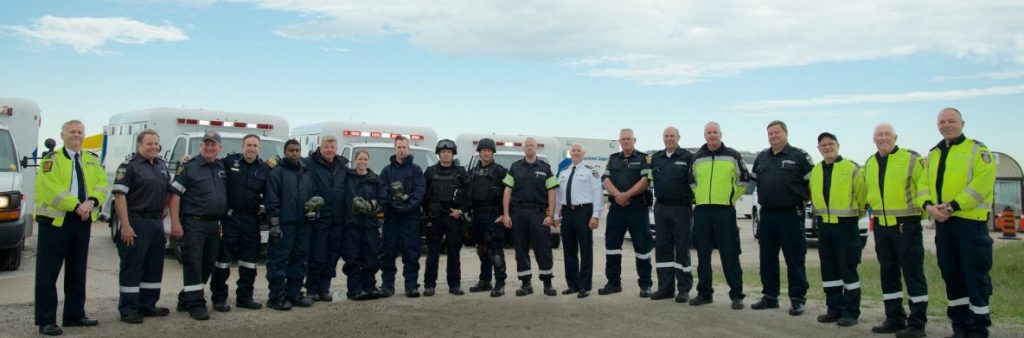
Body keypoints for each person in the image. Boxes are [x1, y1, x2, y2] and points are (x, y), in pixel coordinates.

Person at [918, 108, 996, 338]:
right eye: (942, 121)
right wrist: (929, 206)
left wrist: (953, 206)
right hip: (944, 225)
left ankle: (979, 326)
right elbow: (922, 185)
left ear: (962, 123)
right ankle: (960, 325)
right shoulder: (933, 154)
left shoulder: (977, 150)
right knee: (951, 274)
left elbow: (982, 184)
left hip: (969, 225)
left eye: (951, 121)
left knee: (974, 275)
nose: (946, 125)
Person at [34, 120, 108, 336]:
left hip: (82, 221)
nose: (76, 135)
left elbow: (102, 184)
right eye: (72, 132)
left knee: (77, 270)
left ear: (84, 135)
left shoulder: (92, 160)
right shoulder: (52, 160)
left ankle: (74, 315)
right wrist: (76, 205)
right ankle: (46, 320)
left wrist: (91, 202)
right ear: (62, 135)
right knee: (47, 274)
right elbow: (50, 189)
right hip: (56, 222)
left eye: (80, 132)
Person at [863, 123, 928, 338]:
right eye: (879, 135)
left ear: (895, 137)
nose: (883, 138)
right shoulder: (870, 163)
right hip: (881, 225)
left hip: (905, 224)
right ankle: (894, 318)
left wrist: (925, 214)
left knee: (913, 273)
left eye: (887, 134)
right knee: (888, 273)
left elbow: (924, 188)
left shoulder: (911, 159)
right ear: (874, 139)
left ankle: (917, 323)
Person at [750, 120, 814, 316]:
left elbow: (813, 184)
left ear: (785, 133)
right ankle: (770, 296)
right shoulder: (762, 157)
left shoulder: (800, 156)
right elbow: (755, 181)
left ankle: (797, 299)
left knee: (794, 258)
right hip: (767, 214)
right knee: (767, 258)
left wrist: (803, 202)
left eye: (777, 133)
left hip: (791, 215)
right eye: (770, 133)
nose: (773, 136)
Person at [112, 129, 172, 324]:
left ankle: (148, 304)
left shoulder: (161, 165)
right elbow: (119, 197)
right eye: (149, 144)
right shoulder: (129, 166)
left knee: (154, 265)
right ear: (139, 145)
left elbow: (167, 190)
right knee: (132, 267)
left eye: (156, 144)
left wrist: (163, 207)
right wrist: (126, 225)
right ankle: (128, 308)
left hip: (156, 222)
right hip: (136, 221)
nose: (154, 147)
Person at [808, 132, 865, 327]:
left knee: (847, 268)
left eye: (830, 144)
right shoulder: (816, 170)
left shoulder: (851, 168)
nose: (827, 148)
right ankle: (833, 309)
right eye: (823, 145)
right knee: (829, 269)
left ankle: (851, 311)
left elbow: (863, 195)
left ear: (837, 145)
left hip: (846, 225)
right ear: (819, 149)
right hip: (825, 226)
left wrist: (855, 214)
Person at [689, 122, 747, 310]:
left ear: (721, 134)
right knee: (703, 254)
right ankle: (705, 293)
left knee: (729, 253)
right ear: (704, 135)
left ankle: (737, 295)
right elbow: (691, 182)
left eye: (715, 132)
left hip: (724, 210)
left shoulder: (733, 156)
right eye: (709, 133)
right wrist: (699, 196)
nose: (712, 135)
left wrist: (731, 198)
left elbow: (743, 179)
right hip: (702, 210)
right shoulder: (696, 157)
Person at [210, 134, 272, 312]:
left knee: (249, 261)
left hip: (251, 219)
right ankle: (219, 298)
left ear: (259, 148)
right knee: (223, 261)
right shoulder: (230, 162)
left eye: (255, 146)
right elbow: (211, 163)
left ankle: (245, 297)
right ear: (242, 146)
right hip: (230, 218)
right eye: (249, 145)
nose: (252, 148)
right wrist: (187, 159)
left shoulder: (264, 168)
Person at [170, 131, 227, 320]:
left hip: (214, 225)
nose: (209, 147)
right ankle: (196, 304)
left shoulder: (222, 167)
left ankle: (185, 298)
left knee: (208, 265)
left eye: (213, 144)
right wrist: (175, 223)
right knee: (193, 263)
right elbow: (175, 195)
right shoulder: (188, 167)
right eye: (206, 144)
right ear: (201, 146)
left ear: (219, 147)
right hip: (194, 224)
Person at [265, 139, 319, 310]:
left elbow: (315, 195)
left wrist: (315, 209)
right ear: (285, 151)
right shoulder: (277, 173)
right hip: (283, 225)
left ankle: (293, 293)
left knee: (299, 260)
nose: (294, 153)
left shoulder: (307, 173)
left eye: (297, 150)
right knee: (278, 261)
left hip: (303, 225)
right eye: (291, 150)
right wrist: (274, 223)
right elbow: (271, 199)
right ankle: (275, 297)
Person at [599, 128, 654, 297]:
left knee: (642, 247)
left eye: (629, 139)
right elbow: (605, 179)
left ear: (635, 140)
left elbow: (646, 181)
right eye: (623, 139)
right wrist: (617, 195)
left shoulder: (644, 158)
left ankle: (645, 285)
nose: (626, 141)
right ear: (620, 141)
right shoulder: (613, 159)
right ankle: (613, 283)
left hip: (637, 207)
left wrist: (626, 195)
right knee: (612, 246)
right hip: (617, 208)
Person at [502, 137, 559, 297]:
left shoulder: (545, 168)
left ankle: (547, 282)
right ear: (523, 149)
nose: (529, 148)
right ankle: (526, 283)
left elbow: (552, 192)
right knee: (520, 248)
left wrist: (551, 214)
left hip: (538, 213)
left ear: (537, 148)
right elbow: (507, 191)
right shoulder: (515, 167)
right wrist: (506, 214)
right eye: (526, 146)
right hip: (518, 213)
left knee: (543, 248)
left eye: (532, 145)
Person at [649, 126, 696, 302]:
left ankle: (683, 289)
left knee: (682, 248)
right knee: (662, 247)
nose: (669, 139)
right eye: (666, 136)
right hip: (661, 208)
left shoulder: (688, 158)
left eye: (672, 136)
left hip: (681, 208)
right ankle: (665, 288)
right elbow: (648, 181)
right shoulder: (656, 158)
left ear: (678, 137)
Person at [554, 144, 604, 299]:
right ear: (570, 153)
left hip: (584, 212)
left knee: (586, 250)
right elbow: (558, 196)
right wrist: (556, 215)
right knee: (569, 250)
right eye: (573, 151)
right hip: (567, 213)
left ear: (583, 153)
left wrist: (595, 216)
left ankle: (585, 286)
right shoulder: (563, 172)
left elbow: (597, 193)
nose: (575, 153)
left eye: (578, 151)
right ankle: (573, 285)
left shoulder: (591, 171)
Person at [379, 136, 427, 298]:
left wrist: (407, 206)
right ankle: (387, 285)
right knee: (388, 252)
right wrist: (393, 205)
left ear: (408, 149)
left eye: (404, 147)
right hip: (391, 218)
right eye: (398, 147)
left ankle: (411, 286)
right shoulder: (386, 171)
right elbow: (383, 191)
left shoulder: (416, 170)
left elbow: (420, 191)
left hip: (410, 218)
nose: (401, 150)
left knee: (411, 252)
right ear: (394, 149)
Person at [422, 139, 471, 296]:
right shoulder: (430, 172)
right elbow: (422, 195)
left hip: (453, 216)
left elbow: (469, 195)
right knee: (432, 253)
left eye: (449, 152)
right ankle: (429, 285)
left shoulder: (461, 172)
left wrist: (461, 211)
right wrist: (428, 210)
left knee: (454, 253)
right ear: (438, 154)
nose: (446, 155)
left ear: (453, 154)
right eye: (443, 152)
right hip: (435, 217)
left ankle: (454, 285)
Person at [303, 135, 349, 302]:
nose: (330, 150)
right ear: (320, 148)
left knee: (332, 254)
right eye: (326, 147)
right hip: (319, 217)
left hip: (337, 218)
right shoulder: (309, 164)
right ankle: (311, 288)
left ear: (336, 149)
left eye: (332, 147)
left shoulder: (342, 166)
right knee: (317, 253)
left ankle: (325, 287)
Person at [466, 138, 510, 297]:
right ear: (479, 152)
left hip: (494, 214)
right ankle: (485, 281)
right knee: (482, 249)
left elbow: (509, 193)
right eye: (483, 150)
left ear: (492, 153)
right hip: (477, 215)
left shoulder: (501, 171)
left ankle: (500, 283)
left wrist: (505, 214)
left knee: (495, 251)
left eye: (489, 150)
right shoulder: (472, 172)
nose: (486, 153)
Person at [341, 149, 387, 300]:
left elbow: (383, 199)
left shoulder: (375, 179)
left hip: (370, 224)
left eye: (365, 159)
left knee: (371, 256)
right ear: (355, 160)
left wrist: (373, 205)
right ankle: (354, 289)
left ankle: (370, 286)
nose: (362, 162)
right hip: (352, 223)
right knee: (353, 257)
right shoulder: (348, 177)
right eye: (360, 159)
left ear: (368, 161)